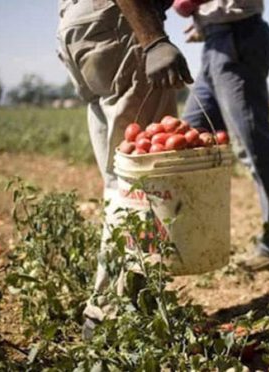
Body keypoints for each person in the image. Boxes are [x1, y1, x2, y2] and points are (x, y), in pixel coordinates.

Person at [56, 0, 193, 339]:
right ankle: (111, 315)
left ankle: (126, 307)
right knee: (143, 181)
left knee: (121, 180)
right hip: (120, 23)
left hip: (81, 26)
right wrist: (153, 39)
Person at [175, 0, 269, 271]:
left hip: (238, 37)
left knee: (253, 146)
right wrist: (205, 22)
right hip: (215, 41)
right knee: (189, 137)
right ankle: (194, 237)